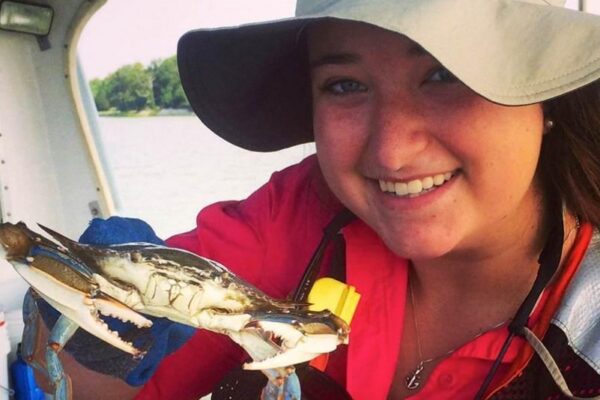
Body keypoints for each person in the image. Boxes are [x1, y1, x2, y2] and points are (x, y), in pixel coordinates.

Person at [32, 1, 600, 399]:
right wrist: (91, 325)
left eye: (443, 74)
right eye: (345, 85)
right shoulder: (304, 213)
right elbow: (89, 387)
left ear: (544, 92)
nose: (392, 152)